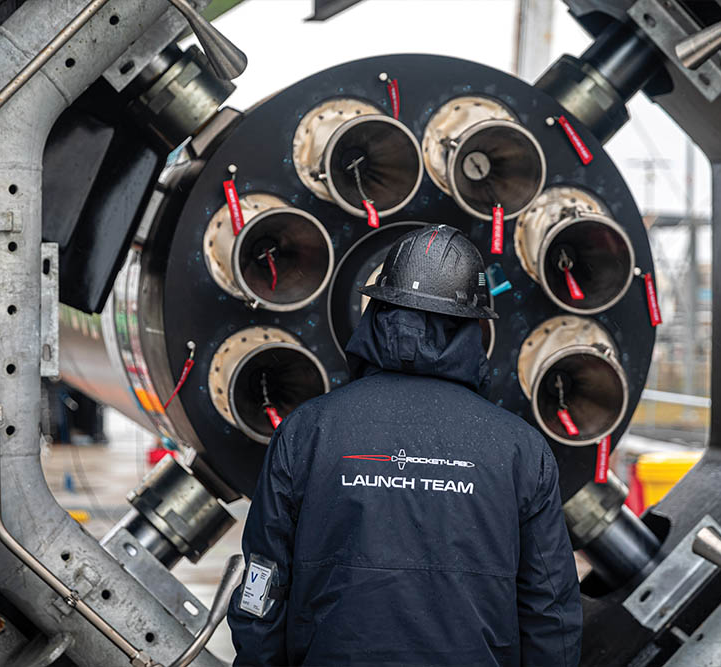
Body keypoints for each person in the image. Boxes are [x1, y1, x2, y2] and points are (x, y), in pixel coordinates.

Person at [228, 224, 582, 666]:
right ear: (473, 327)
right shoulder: (521, 450)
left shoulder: (307, 432)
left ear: (376, 312)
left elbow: (262, 583)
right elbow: (551, 607)